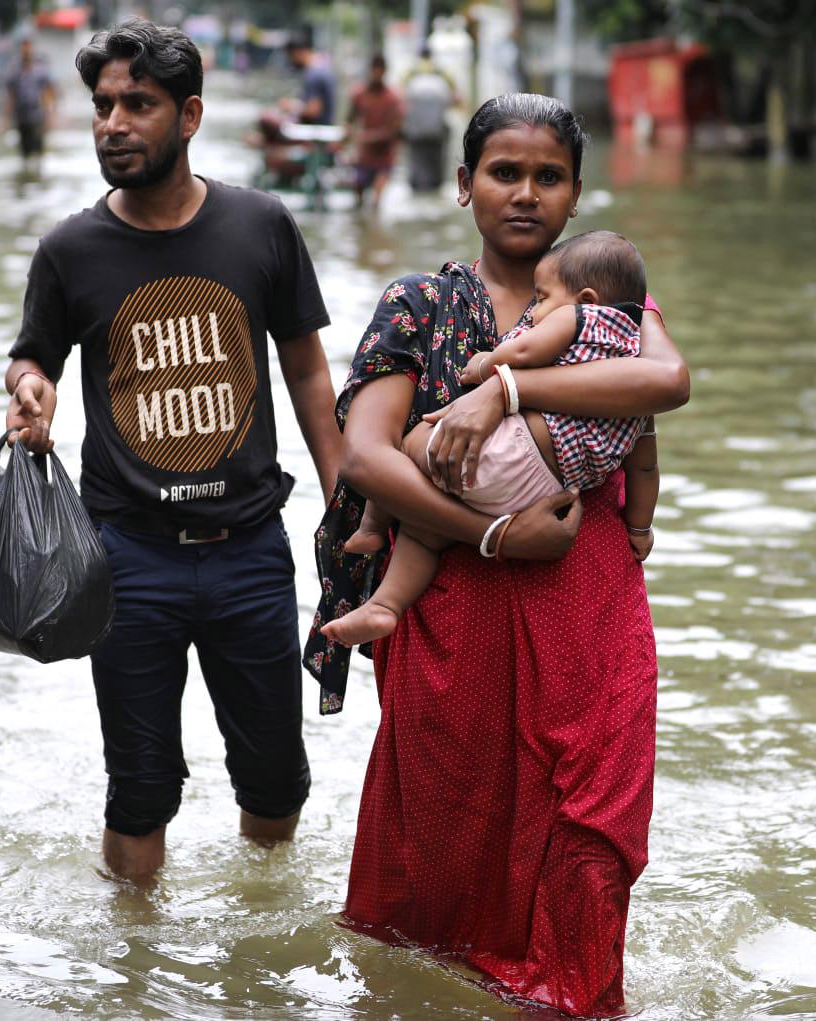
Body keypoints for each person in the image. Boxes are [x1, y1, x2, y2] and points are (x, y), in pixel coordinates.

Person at [301, 94, 690, 1016]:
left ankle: (578, 997)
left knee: (594, 821)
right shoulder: (420, 305)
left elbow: (668, 381)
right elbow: (365, 453)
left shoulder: (617, 302)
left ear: (575, 193)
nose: (524, 193)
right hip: (454, 609)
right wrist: (486, 532)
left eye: (547, 177)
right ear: (464, 183)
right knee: (445, 841)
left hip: (586, 603)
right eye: (503, 173)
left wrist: (503, 388)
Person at [2, 18, 342, 885]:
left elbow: (305, 369)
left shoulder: (260, 226)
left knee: (274, 783)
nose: (112, 122)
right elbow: (34, 351)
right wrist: (31, 386)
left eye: (137, 104)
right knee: (139, 789)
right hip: (126, 561)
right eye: (102, 104)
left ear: (188, 116)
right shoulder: (69, 250)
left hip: (251, 555)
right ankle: (136, 973)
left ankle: (259, 946)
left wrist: (348, 500)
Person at [321, 229, 660, 646]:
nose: (534, 312)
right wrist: (640, 528)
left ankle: (378, 547)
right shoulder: (638, 367)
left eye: (541, 299)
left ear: (587, 301)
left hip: (510, 453)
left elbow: (523, 353)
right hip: (549, 491)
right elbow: (645, 464)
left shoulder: (579, 319)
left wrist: (486, 370)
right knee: (430, 528)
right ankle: (385, 606)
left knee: (412, 451)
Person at [344, 54, 403, 209]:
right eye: (374, 70)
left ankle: (375, 229)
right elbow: (349, 122)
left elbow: (394, 131)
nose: (376, 74)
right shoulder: (359, 94)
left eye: (379, 70)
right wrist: (344, 143)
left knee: (376, 202)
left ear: (384, 72)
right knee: (357, 200)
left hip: (384, 156)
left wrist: (366, 137)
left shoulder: (393, 98)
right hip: (364, 156)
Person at [401, 46, 459, 192]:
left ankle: (416, 184)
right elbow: (457, 97)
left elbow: (400, 98)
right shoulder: (442, 73)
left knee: (415, 160)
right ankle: (435, 184)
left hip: (415, 128)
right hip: (437, 128)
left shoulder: (410, 73)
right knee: (437, 161)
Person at [5, 37, 56, 160]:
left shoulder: (41, 70)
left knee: (38, 150)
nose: (26, 50)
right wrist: (5, 119)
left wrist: (50, 115)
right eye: (23, 46)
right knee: (24, 151)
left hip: (37, 116)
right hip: (21, 116)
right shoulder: (15, 71)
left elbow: (48, 92)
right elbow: (11, 95)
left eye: (28, 46)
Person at [286, 34, 335, 126]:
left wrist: (290, 106)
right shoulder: (322, 67)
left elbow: (313, 111)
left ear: (298, 52)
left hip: (317, 131)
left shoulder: (314, 74)